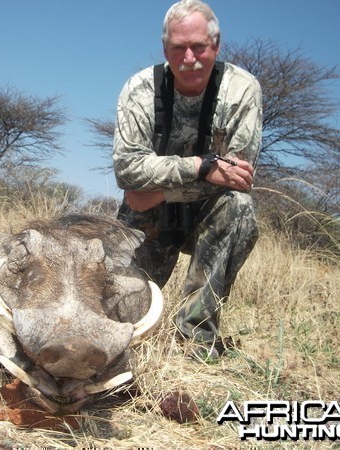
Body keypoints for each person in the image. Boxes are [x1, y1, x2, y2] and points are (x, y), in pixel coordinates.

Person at [113, 0, 262, 359]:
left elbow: (238, 177)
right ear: (165, 48)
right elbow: (126, 170)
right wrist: (201, 165)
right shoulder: (139, 89)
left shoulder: (242, 89)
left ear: (217, 45)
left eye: (199, 46)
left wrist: (159, 192)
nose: (189, 58)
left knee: (238, 206)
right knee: (120, 315)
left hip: (191, 210)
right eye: (178, 48)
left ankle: (196, 338)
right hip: (149, 220)